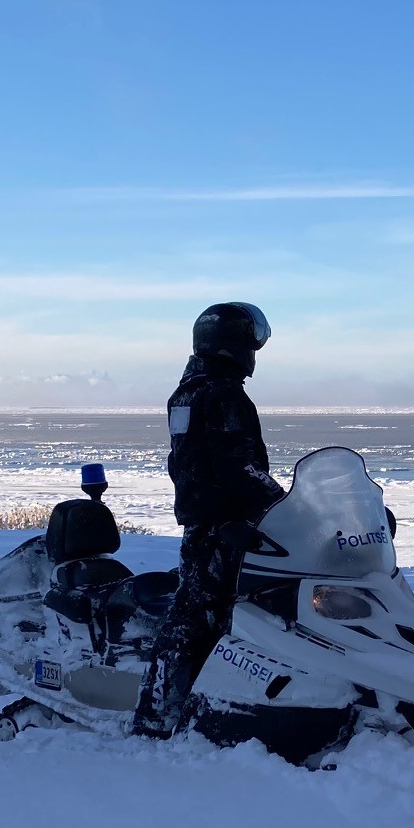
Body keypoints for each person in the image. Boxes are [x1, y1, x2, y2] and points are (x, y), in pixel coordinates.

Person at [131, 302, 284, 738]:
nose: (254, 353)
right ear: (233, 343)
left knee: (202, 613)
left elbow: (187, 462)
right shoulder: (223, 395)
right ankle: (159, 715)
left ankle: (196, 702)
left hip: (205, 525)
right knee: (201, 617)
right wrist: (286, 503)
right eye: (250, 342)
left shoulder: (187, 392)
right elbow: (238, 467)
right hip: (228, 529)